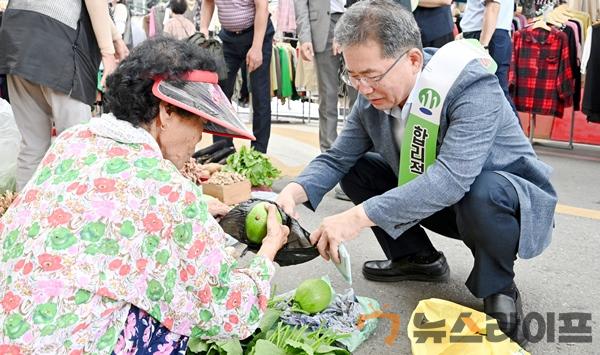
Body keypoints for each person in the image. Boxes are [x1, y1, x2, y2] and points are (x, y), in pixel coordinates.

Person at [276, 0, 557, 346]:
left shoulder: (469, 84)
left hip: (500, 203)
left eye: (372, 76)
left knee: (482, 190)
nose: (362, 88)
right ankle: (416, 257)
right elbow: (336, 158)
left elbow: (452, 179)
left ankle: (499, 286)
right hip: (444, 200)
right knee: (357, 169)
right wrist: (291, 193)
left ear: (412, 59)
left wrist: (356, 217)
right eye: (353, 75)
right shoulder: (370, 96)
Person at [0, 37, 289, 354]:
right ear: (166, 111)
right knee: (177, 311)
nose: (199, 137)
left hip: (12, 332)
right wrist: (268, 252)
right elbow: (230, 310)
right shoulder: (167, 188)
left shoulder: (75, 140)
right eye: (199, 121)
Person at [0, 0, 129, 192]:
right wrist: (108, 55)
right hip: (58, 43)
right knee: (76, 146)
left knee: (32, 145)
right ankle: (70, 216)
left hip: (17, 40)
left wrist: (117, 40)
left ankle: (24, 219)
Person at [200, 0, 274, 153]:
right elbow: (208, 2)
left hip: (257, 33)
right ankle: (223, 150)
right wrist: (203, 29)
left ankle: (258, 153)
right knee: (219, 94)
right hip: (228, 37)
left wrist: (257, 47)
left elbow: (262, 8)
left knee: (260, 95)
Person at [295, 0, 358, 154]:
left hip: (355, 19)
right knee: (327, 95)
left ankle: (356, 148)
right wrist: (305, 37)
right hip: (324, 25)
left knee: (358, 92)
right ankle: (329, 152)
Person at [461, 0, 517, 113]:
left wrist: (483, 46)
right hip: (492, 33)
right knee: (494, 92)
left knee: (496, 92)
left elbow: (493, 6)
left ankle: (514, 129)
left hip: (488, 35)